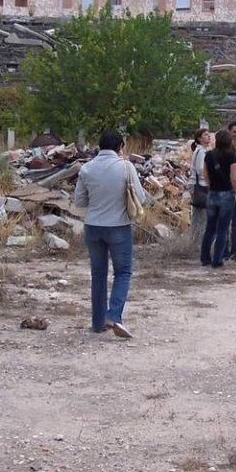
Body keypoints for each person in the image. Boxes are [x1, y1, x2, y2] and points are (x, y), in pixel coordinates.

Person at [74, 129, 148, 339]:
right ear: (120, 147)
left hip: (93, 225)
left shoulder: (87, 168)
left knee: (98, 274)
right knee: (122, 272)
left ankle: (97, 323)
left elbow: (79, 201)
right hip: (118, 225)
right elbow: (140, 197)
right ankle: (113, 315)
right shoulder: (126, 167)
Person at [200, 129, 236, 268]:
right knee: (222, 229)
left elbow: (204, 173)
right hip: (226, 194)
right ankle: (217, 259)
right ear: (229, 141)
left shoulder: (209, 155)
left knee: (209, 227)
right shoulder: (231, 156)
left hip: (212, 193)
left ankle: (205, 258)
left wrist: (211, 186)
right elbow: (233, 177)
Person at [188, 128, 211, 240]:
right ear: (200, 138)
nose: (209, 136)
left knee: (198, 215)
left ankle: (195, 239)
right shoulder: (201, 152)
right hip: (200, 185)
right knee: (201, 215)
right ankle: (198, 239)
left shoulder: (200, 151)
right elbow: (200, 169)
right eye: (206, 135)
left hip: (198, 185)